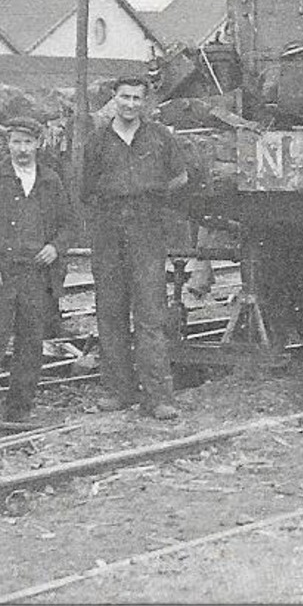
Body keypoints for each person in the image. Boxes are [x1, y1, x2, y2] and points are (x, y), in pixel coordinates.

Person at [82, 76, 189, 419]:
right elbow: (85, 188)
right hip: (109, 231)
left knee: (149, 316)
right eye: (124, 97)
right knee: (110, 313)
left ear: (145, 102)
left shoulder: (159, 137)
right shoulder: (97, 141)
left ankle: (158, 396)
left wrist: (151, 194)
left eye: (136, 98)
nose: (130, 104)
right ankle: (117, 390)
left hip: (146, 232)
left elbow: (180, 176)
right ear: (114, 99)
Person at [0, 117, 72, 422]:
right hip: (0, 272)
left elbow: (67, 223)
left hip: (35, 273)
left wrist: (55, 247)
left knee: (31, 342)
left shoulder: (51, 180)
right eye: (16, 142)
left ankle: (19, 406)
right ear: (8, 144)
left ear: (38, 143)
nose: (22, 149)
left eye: (28, 142)